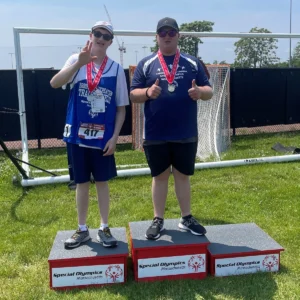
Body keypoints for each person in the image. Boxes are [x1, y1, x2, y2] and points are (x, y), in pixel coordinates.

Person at [130, 17, 213, 240]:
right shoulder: (146, 63)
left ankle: (186, 218)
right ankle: (158, 219)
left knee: (183, 176)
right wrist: (147, 93)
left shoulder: (192, 62)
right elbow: (133, 94)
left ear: (178, 36)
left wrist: (200, 93)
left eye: (171, 32)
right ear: (156, 37)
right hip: (156, 132)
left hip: (185, 132)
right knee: (159, 176)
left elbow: (209, 90)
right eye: (163, 33)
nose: (167, 36)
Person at [50, 21, 129, 248]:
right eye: (97, 33)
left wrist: (114, 138)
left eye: (106, 35)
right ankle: (82, 229)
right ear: (90, 35)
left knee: (102, 183)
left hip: (103, 139)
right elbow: (55, 83)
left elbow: (121, 108)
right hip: (77, 135)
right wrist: (78, 65)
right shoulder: (76, 60)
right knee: (82, 183)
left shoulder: (115, 69)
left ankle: (104, 227)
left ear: (111, 41)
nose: (101, 38)